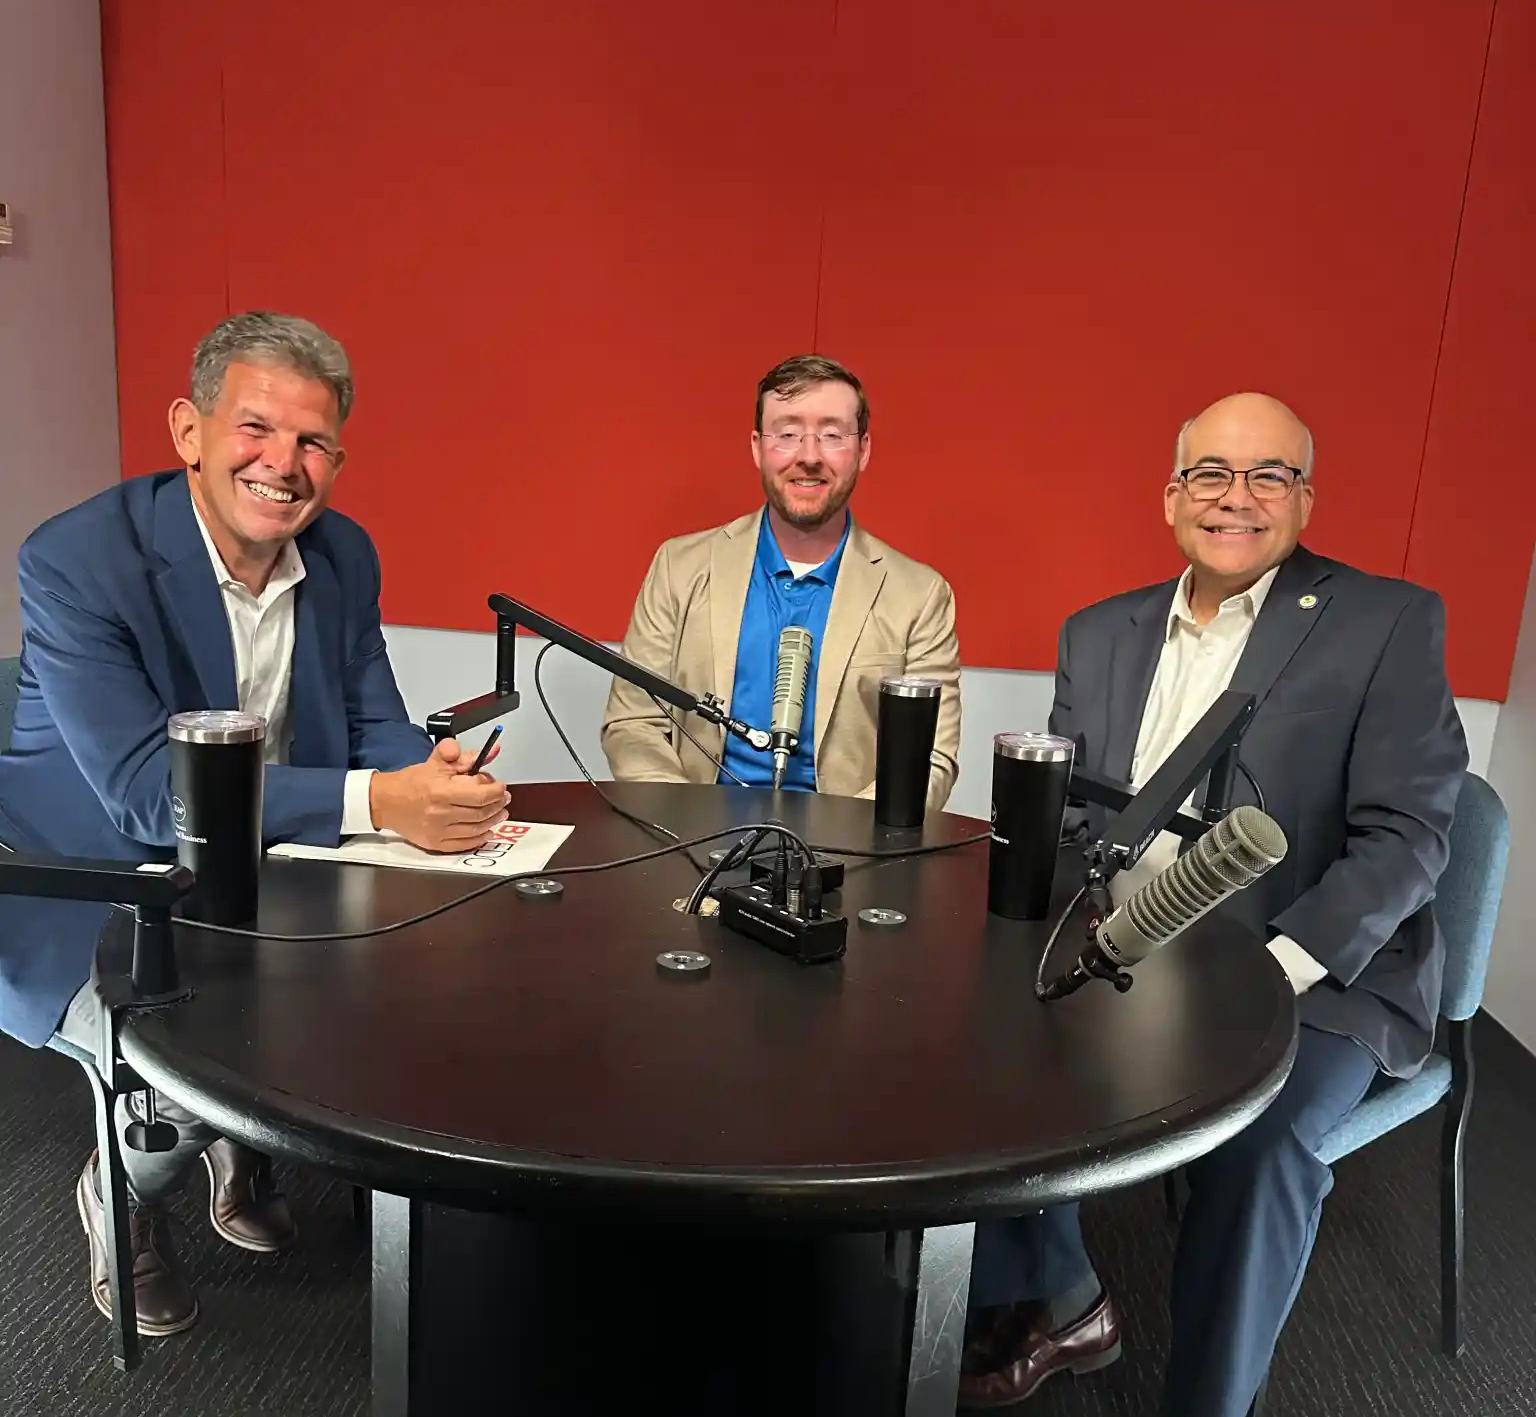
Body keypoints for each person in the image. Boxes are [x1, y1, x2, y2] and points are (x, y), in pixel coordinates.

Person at [0, 312, 510, 1336]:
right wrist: (379, 801)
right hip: (98, 894)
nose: (285, 463)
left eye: (315, 441)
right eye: (256, 428)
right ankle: (122, 1189)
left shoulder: (341, 554)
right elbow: (149, 795)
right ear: (189, 430)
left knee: (416, 972)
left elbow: (373, 719)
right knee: (241, 1045)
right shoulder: (77, 561)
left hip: (263, 873)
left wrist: (430, 771)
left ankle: (238, 1136)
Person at [959, 393, 1468, 1416]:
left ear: (1305, 496)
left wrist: (1276, 970)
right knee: (968, 1041)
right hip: (1129, 944)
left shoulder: (1386, 621)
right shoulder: (1100, 632)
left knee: (1259, 1146)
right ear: (1171, 496)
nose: (1236, 498)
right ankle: (1059, 1293)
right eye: (1210, 474)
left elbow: (1408, 837)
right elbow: (1068, 823)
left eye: (1268, 474)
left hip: (1311, 967)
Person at [601, 354, 960, 805]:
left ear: (863, 450)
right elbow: (634, 724)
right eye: (787, 434)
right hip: (691, 843)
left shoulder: (920, 596)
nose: (809, 456)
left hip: (844, 856)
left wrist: (843, 851)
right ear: (756, 446)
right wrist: (687, 829)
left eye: (832, 435)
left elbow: (929, 759)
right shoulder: (680, 567)